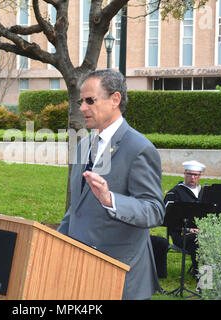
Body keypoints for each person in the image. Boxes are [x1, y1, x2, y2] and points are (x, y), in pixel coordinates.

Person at [57, 69, 165, 300]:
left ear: (115, 99)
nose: (82, 108)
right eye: (81, 101)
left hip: (121, 279)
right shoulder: (83, 145)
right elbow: (75, 210)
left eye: (90, 101)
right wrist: (54, 247)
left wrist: (111, 200)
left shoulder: (139, 148)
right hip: (80, 276)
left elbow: (155, 210)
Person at [164, 160, 205, 276]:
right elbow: (169, 219)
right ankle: (204, 280)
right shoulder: (175, 193)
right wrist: (188, 229)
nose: (192, 177)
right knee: (200, 242)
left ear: (200, 176)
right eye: (189, 174)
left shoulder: (206, 192)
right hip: (182, 235)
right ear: (184, 174)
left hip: (203, 232)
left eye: (195, 175)